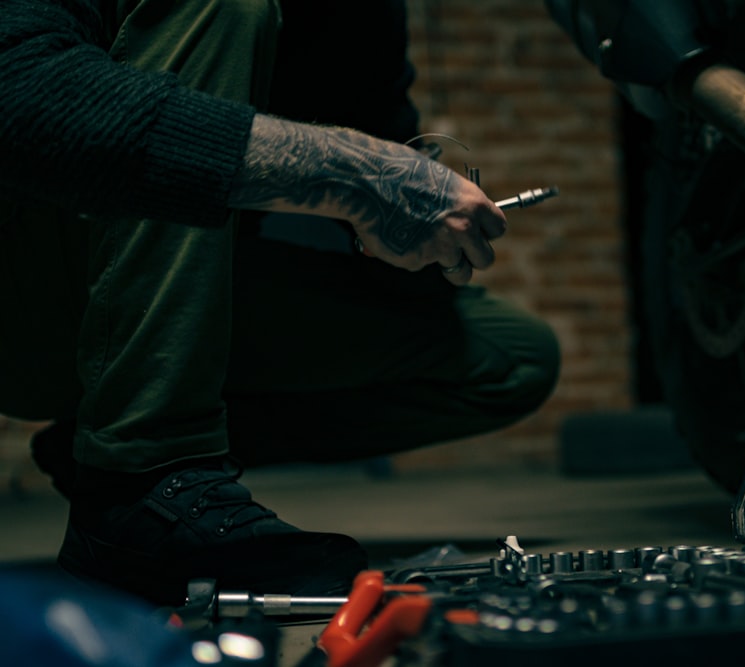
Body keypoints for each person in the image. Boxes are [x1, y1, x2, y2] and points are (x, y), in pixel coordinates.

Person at [0, 0, 560, 606]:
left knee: (510, 357)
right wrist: (354, 175)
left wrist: (405, 236)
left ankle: (106, 445)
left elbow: (382, 140)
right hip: (23, 290)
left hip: (145, 301)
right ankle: (139, 480)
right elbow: (19, 92)